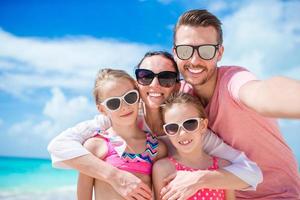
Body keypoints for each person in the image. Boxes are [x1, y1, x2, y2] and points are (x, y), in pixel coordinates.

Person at [48, 51, 262, 199]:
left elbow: (252, 173)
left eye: (166, 78)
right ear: (137, 83)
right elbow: (58, 146)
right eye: (145, 76)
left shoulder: (191, 129)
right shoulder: (115, 120)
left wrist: (198, 179)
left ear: (177, 86)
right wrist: (115, 176)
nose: (155, 84)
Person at [162, 9, 300, 199]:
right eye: (186, 51)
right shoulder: (182, 98)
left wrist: (199, 178)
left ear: (219, 53)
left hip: (277, 195)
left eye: (206, 50)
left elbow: (263, 93)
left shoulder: (234, 81)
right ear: (175, 53)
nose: (194, 60)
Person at [77, 68, 167, 200]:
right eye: (114, 103)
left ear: (138, 97)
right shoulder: (95, 146)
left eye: (130, 97)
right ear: (102, 109)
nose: (124, 106)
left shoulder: (156, 148)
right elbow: (84, 194)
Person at [153, 92, 235, 200]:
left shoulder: (223, 167)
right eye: (172, 127)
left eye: (190, 124)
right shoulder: (162, 169)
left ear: (203, 125)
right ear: (166, 132)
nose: (182, 133)